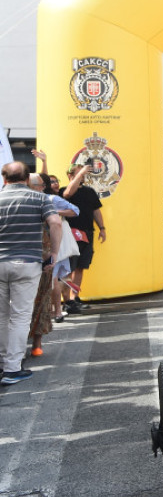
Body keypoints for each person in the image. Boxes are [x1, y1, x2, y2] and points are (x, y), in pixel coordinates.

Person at [1, 162, 63, 386]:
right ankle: (12, 368)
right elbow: (55, 222)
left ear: (4, 178)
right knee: (20, 316)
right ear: (27, 178)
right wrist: (54, 253)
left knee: (2, 315)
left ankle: (2, 361)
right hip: (28, 262)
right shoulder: (39, 199)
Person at [26, 173, 78, 357]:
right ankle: (36, 345)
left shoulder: (5, 198)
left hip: (13, 258)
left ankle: (12, 352)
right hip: (40, 255)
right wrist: (54, 252)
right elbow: (56, 223)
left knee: (15, 307)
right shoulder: (44, 200)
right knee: (40, 299)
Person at [61, 162, 105, 314]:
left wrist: (102, 228)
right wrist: (79, 175)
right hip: (70, 233)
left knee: (81, 266)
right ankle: (67, 300)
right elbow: (68, 194)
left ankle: (75, 297)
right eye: (79, 173)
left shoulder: (89, 191)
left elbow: (96, 211)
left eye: (84, 174)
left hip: (87, 232)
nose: (83, 176)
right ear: (70, 175)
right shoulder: (63, 191)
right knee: (68, 268)